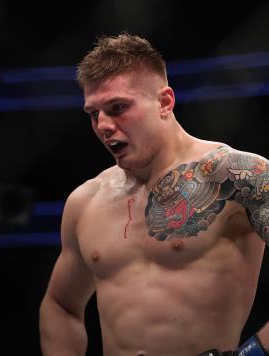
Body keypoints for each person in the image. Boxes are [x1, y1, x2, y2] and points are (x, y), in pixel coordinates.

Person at [39, 33, 269, 356]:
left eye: (117, 108)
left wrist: (254, 353)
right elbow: (60, 305)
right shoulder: (86, 202)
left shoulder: (235, 175)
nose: (103, 125)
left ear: (164, 102)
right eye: (94, 114)